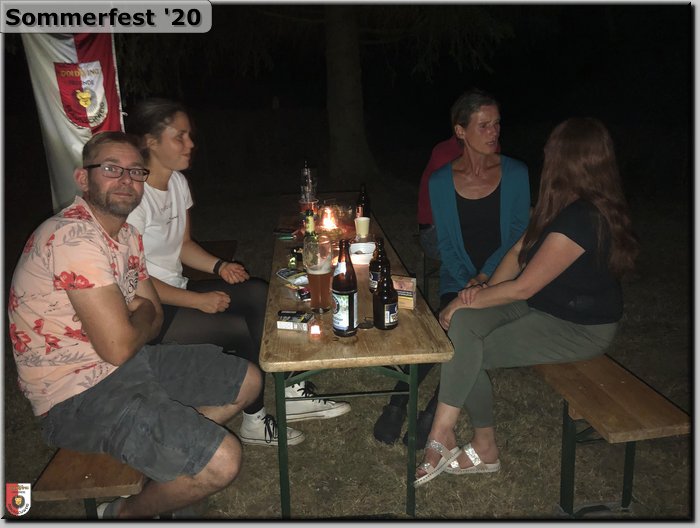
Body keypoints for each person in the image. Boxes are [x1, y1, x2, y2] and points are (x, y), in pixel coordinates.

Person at [8, 132, 263, 518]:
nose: (126, 179)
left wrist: (137, 321)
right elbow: (119, 345)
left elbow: (153, 315)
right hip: (75, 397)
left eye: (135, 171)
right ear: (83, 178)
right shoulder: (71, 238)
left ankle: (172, 454)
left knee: (248, 380)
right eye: (112, 169)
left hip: (131, 365)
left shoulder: (126, 235)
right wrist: (138, 318)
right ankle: (122, 514)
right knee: (223, 461)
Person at [413, 117, 639, 487]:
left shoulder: (583, 219)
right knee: (464, 327)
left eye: (552, 151)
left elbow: (522, 288)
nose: (545, 155)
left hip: (577, 327)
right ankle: (459, 437)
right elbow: (518, 253)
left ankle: (458, 439)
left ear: (569, 161)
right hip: (541, 303)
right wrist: (483, 287)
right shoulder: (559, 205)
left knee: (464, 350)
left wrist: (461, 302)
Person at [125, 98, 350, 448]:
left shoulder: (177, 183)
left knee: (257, 292)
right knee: (237, 329)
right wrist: (197, 301)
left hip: (177, 287)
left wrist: (220, 266)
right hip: (150, 309)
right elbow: (134, 279)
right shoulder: (134, 198)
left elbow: (183, 245)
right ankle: (255, 420)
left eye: (189, 135)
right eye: (179, 137)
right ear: (151, 142)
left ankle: (291, 390)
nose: (190, 144)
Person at [373, 89, 530, 447]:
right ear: (461, 131)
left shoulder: (516, 173)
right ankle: (398, 403)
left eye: (497, 124)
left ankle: (432, 412)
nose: (494, 132)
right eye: (484, 125)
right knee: (440, 330)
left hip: (502, 280)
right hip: (458, 278)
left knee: (459, 329)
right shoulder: (441, 180)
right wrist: (465, 285)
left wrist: (483, 280)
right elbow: (445, 244)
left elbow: (517, 238)